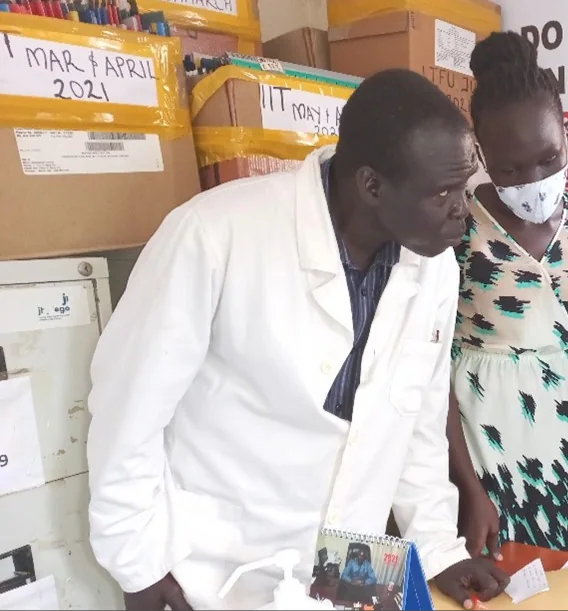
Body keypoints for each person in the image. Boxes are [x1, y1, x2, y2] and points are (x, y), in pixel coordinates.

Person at [86, 69, 509, 610]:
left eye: (464, 187)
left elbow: (416, 421)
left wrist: (440, 547)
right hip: (219, 570)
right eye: (444, 192)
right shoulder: (215, 234)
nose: (463, 210)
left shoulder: (435, 267)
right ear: (372, 185)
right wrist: (137, 565)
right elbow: (128, 411)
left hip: (353, 565)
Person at [446, 32, 568, 562]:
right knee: (502, 577)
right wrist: (464, 481)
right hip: (484, 435)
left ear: (567, 132)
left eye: (549, 158)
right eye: (509, 169)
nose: (533, 180)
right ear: (480, 150)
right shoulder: (457, 229)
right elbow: (430, 364)